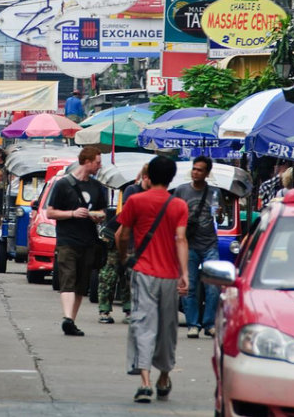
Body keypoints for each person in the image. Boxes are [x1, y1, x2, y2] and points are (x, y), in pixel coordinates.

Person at [116, 155, 189, 403]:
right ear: (171, 178)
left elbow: (122, 234)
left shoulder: (135, 201)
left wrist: (125, 256)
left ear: (150, 175)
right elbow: (181, 239)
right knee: (168, 328)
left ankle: (145, 382)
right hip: (170, 276)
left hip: (144, 272)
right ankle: (164, 377)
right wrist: (185, 273)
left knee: (143, 323)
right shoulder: (179, 205)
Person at [45, 146, 108, 337]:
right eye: (97, 162)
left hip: (88, 241)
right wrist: (72, 213)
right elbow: (50, 212)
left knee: (81, 284)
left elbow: (103, 212)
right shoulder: (63, 184)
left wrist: (98, 216)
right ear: (87, 161)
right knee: (67, 279)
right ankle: (67, 317)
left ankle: (70, 320)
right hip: (67, 240)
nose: (99, 166)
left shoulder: (98, 187)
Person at [172, 156, 221, 339]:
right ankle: (193, 324)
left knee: (213, 286)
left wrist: (221, 214)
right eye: (194, 169)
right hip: (189, 245)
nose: (195, 172)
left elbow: (220, 219)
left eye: (200, 170)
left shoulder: (214, 193)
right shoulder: (181, 191)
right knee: (189, 285)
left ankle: (209, 323)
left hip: (210, 244)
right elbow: (172, 214)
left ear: (207, 173)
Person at [98, 164, 147, 324]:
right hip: (115, 236)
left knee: (129, 276)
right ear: (145, 177)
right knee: (110, 275)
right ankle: (104, 311)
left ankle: (129, 310)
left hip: (134, 239)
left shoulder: (154, 193)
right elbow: (127, 218)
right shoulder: (132, 190)